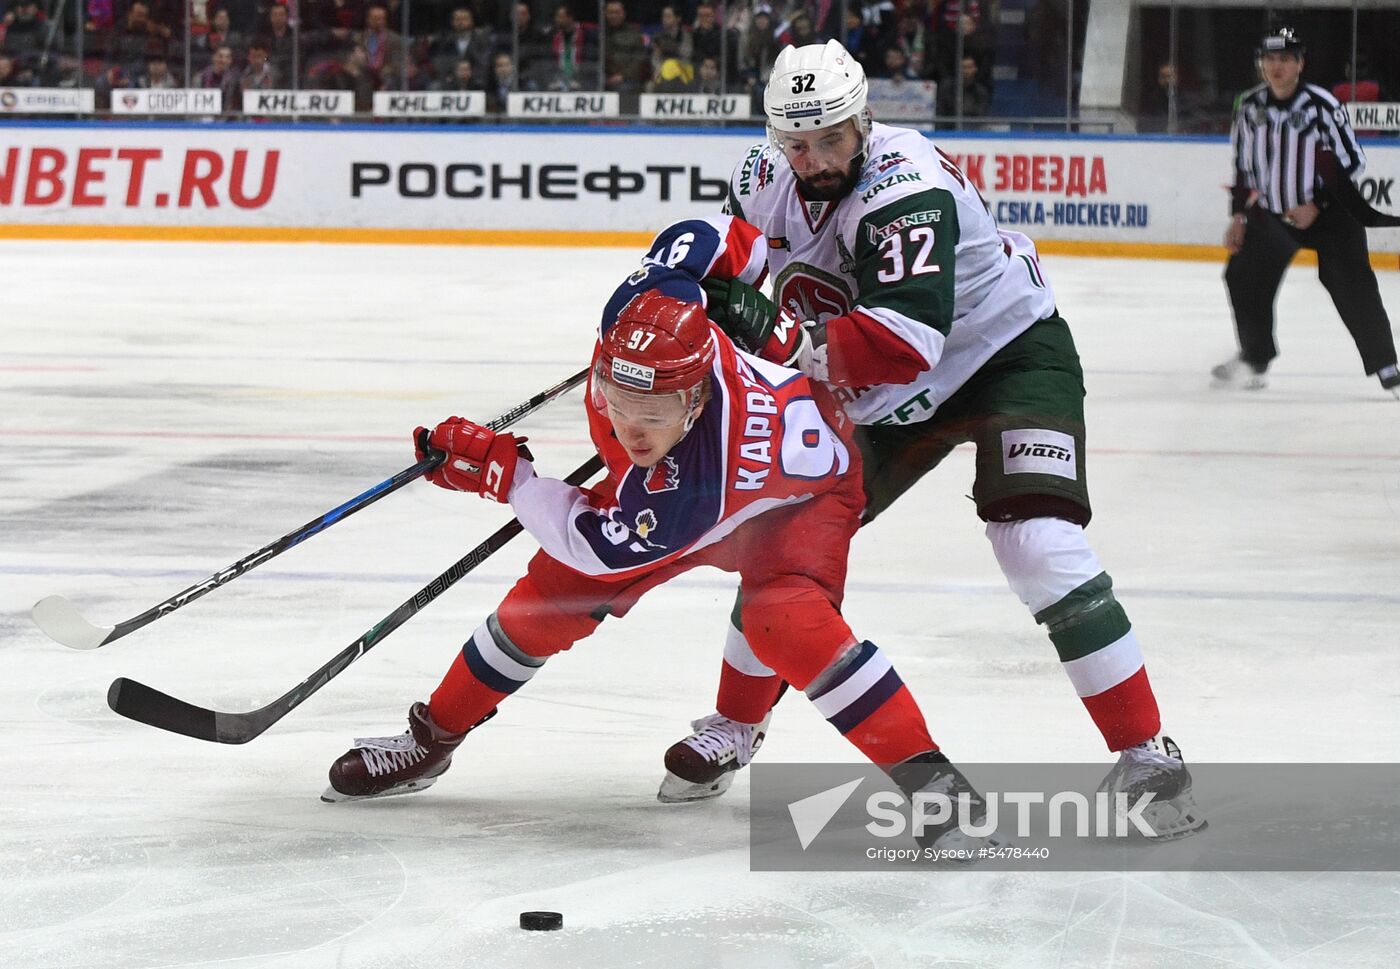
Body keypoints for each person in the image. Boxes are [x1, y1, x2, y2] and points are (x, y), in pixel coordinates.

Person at [322, 217, 1011, 857]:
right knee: (540, 607)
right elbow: (718, 236)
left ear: (698, 398)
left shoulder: (693, 484)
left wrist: (507, 475)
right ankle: (430, 740)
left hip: (802, 490)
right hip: (679, 477)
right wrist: (735, 282)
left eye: (653, 411)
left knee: (782, 617)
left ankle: (927, 783)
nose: (631, 426)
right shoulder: (644, 309)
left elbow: (588, 538)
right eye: (619, 401)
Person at [658, 40, 1206, 842]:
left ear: (864, 118)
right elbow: (739, 263)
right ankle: (736, 724)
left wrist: (769, 330)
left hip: (1004, 357)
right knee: (776, 539)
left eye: (832, 139)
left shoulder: (903, 187)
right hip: (878, 388)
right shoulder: (762, 176)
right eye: (796, 143)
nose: (813, 160)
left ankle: (1147, 752)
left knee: (1038, 544)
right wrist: (687, 289)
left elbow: (904, 342)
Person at [1216, 27, 1399, 396]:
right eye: (1269, 59)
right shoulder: (1250, 107)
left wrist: (1317, 204)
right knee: (1243, 276)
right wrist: (1237, 217)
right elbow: (1242, 166)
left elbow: (1352, 162)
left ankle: (1387, 367)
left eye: (1284, 59)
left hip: (1330, 214)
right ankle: (1255, 357)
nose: (1276, 66)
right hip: (1271, 214)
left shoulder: (1322, 105)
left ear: (1300, 64)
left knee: (1353, 286)